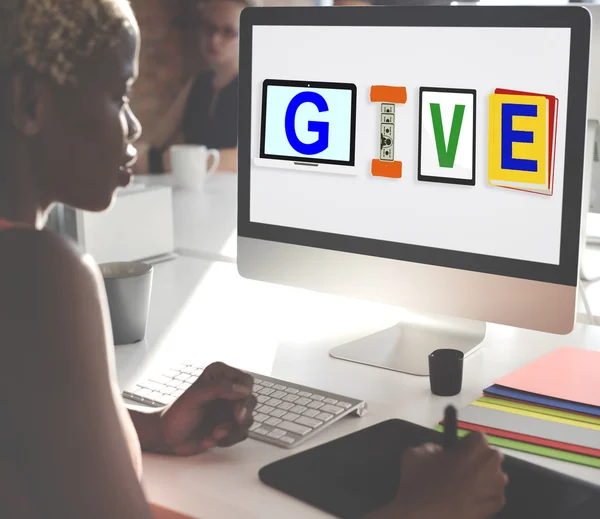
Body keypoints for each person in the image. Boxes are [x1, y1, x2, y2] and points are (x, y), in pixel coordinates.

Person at [0, 1, 507, 517]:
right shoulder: (40, 276)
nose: (133, 126)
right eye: (118, 96)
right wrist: (426, 509)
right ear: (29, 103)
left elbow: (23, 427)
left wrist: (148, 426)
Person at [134, 0, 251, 175]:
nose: (214, 39)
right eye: (209, 28)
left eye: (228, 32)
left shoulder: (253, 85)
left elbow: (245, 157)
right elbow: (155, 140)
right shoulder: (197, 82)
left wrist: (164, 161)